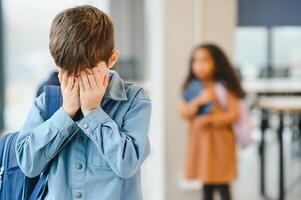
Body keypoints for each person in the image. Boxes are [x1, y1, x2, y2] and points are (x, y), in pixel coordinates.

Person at [16, 5, 151, 200]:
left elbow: (127, 164)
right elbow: (28, 165)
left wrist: (93, 113)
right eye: (70, 71)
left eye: (87, 71)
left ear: (112, 59)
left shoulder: (134, 101)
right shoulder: (46, 102)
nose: (79, 80)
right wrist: (65, 113)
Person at [179, 44, 245, 200]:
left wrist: (210, 119)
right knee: (206, 183)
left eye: (205, 60)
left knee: (223, 183)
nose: (199, 65)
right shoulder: (191, 87)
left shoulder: (224, 87)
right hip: (202, 144)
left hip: (221, 143)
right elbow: (183, 111)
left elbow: (234, 115)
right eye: (196, 61)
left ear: (217, 63)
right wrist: (198, 102)